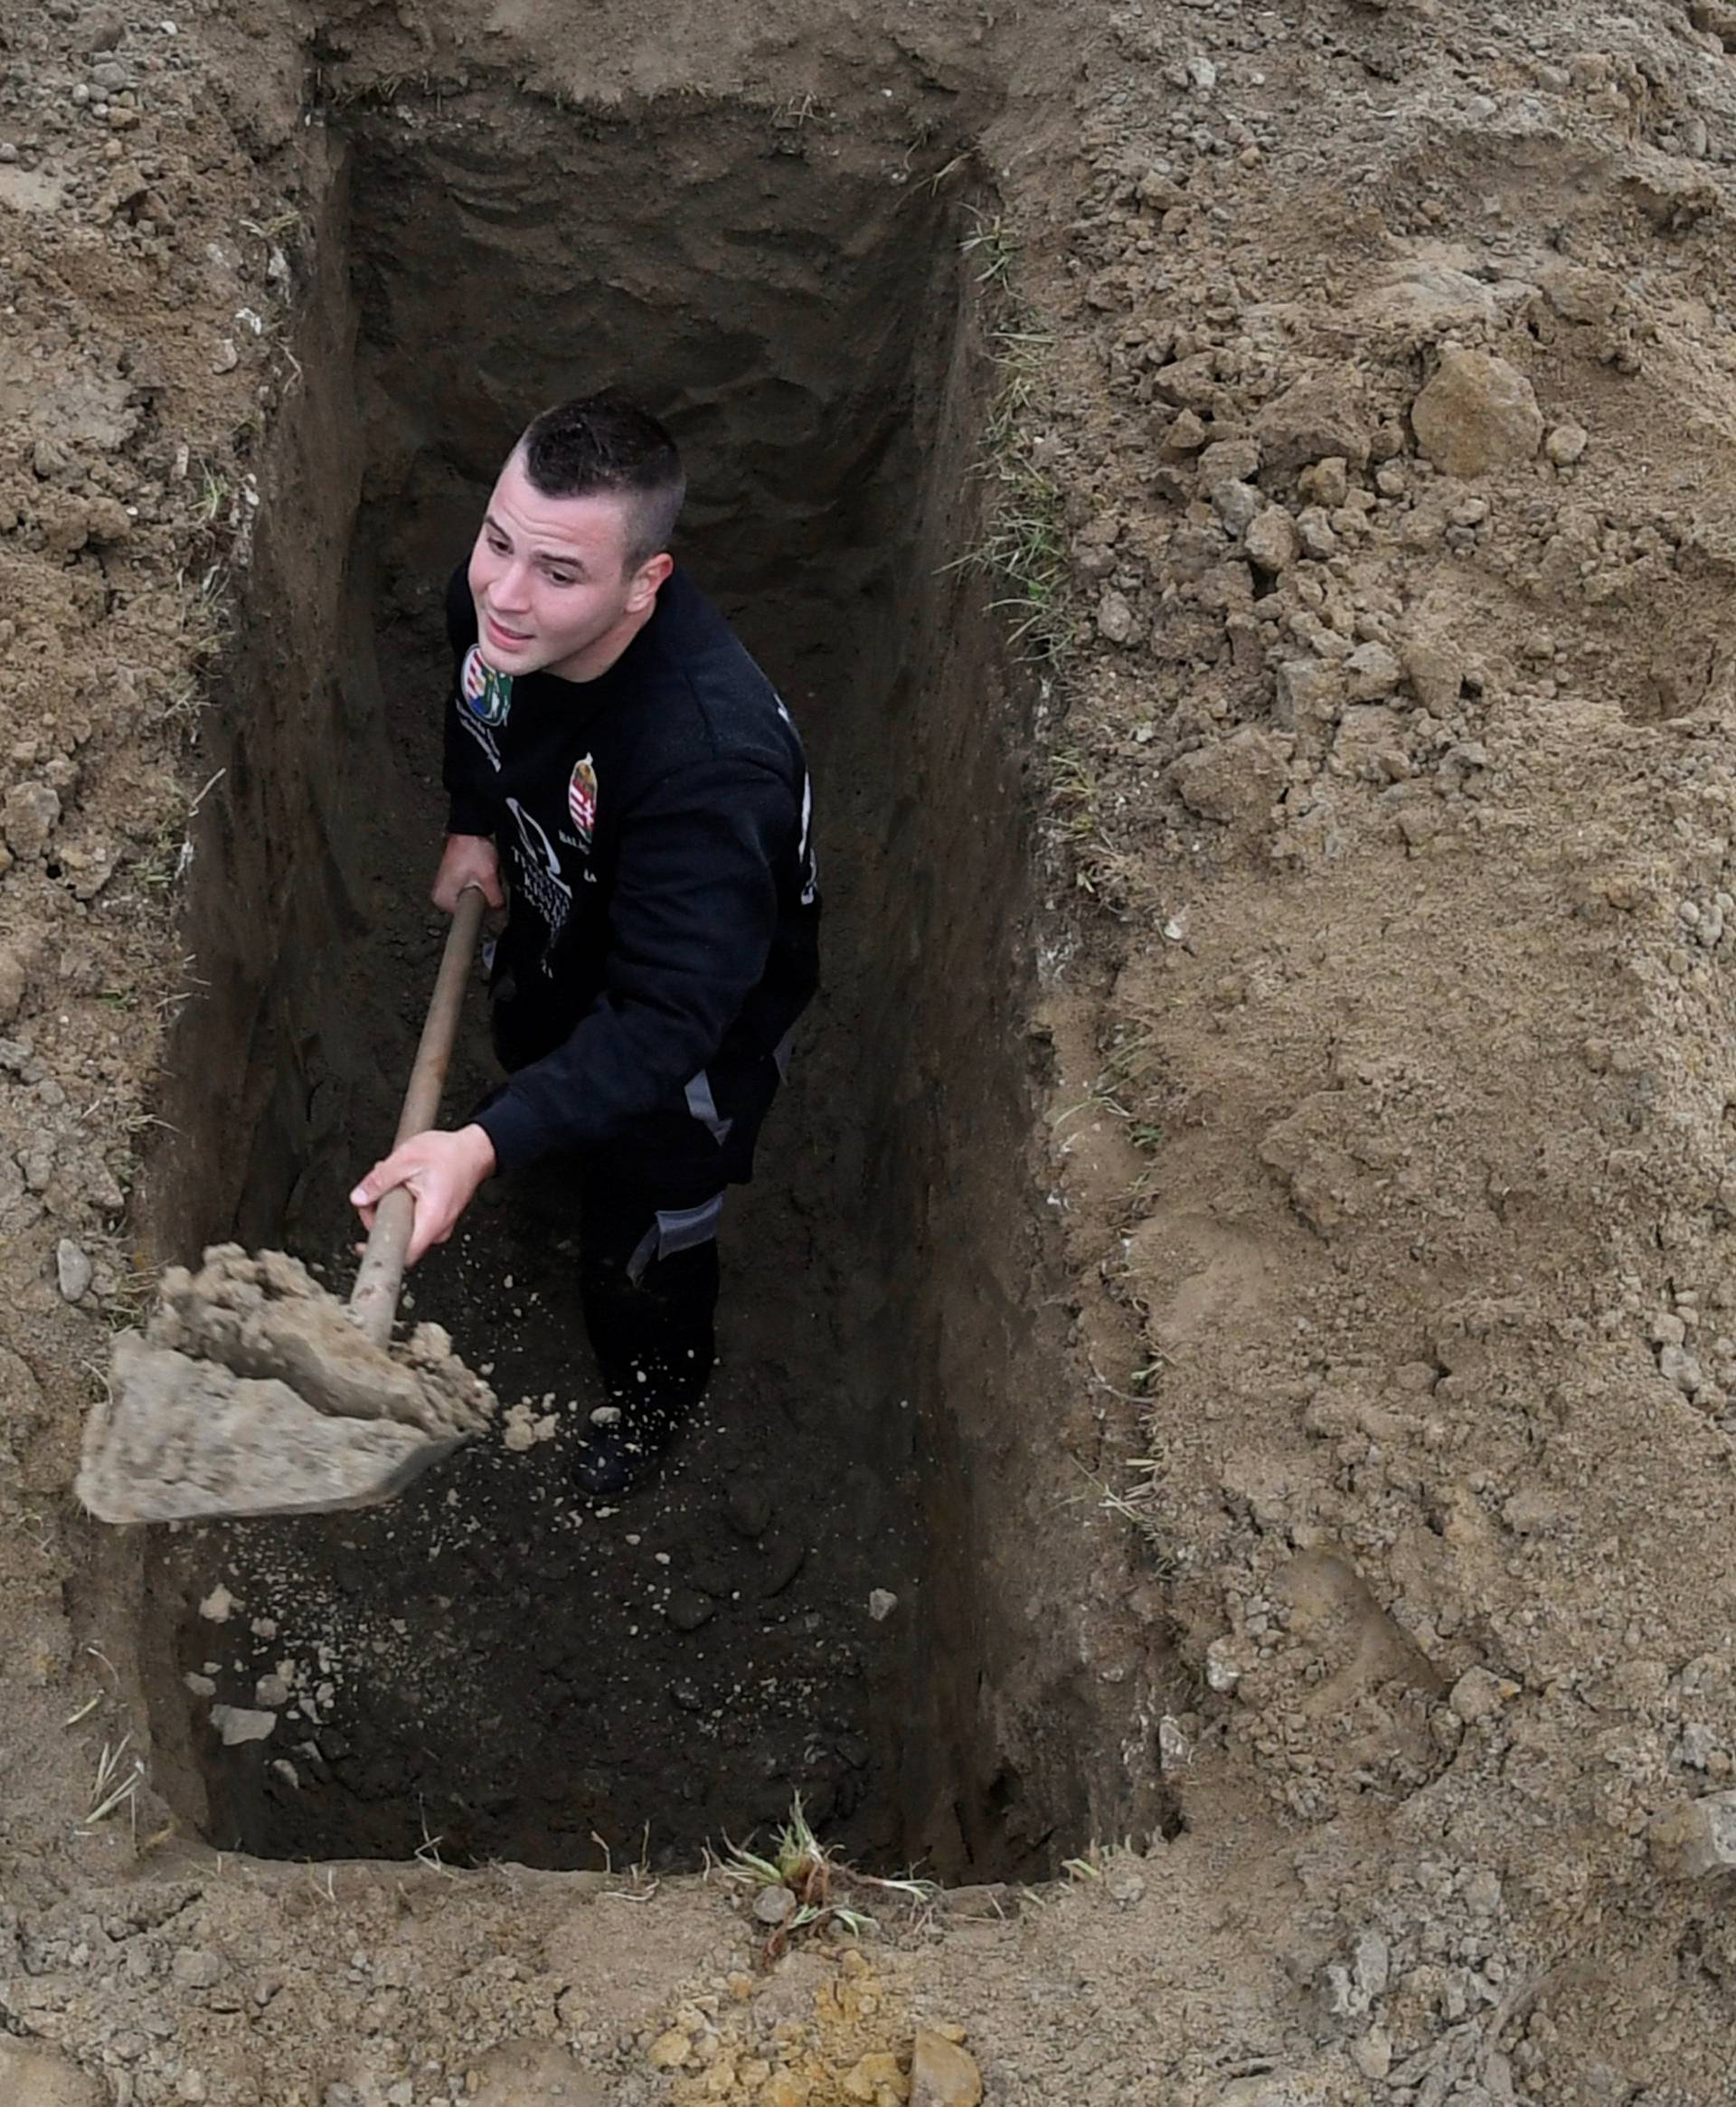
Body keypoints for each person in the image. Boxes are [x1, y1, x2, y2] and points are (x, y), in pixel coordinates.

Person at [350, 391, 820, 1496]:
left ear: (643, 585)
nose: (505, 593)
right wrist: (475, 819)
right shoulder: (503, 611)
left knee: (640, 1242)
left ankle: (656, 1394)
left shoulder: (710, 769)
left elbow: (666, 1022)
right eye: (497, 539)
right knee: (540, 1044)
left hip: (690, 1044)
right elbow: (482, 711)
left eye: (560, 572)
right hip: (568, 932)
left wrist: (476, 1145)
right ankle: (546, 1128)